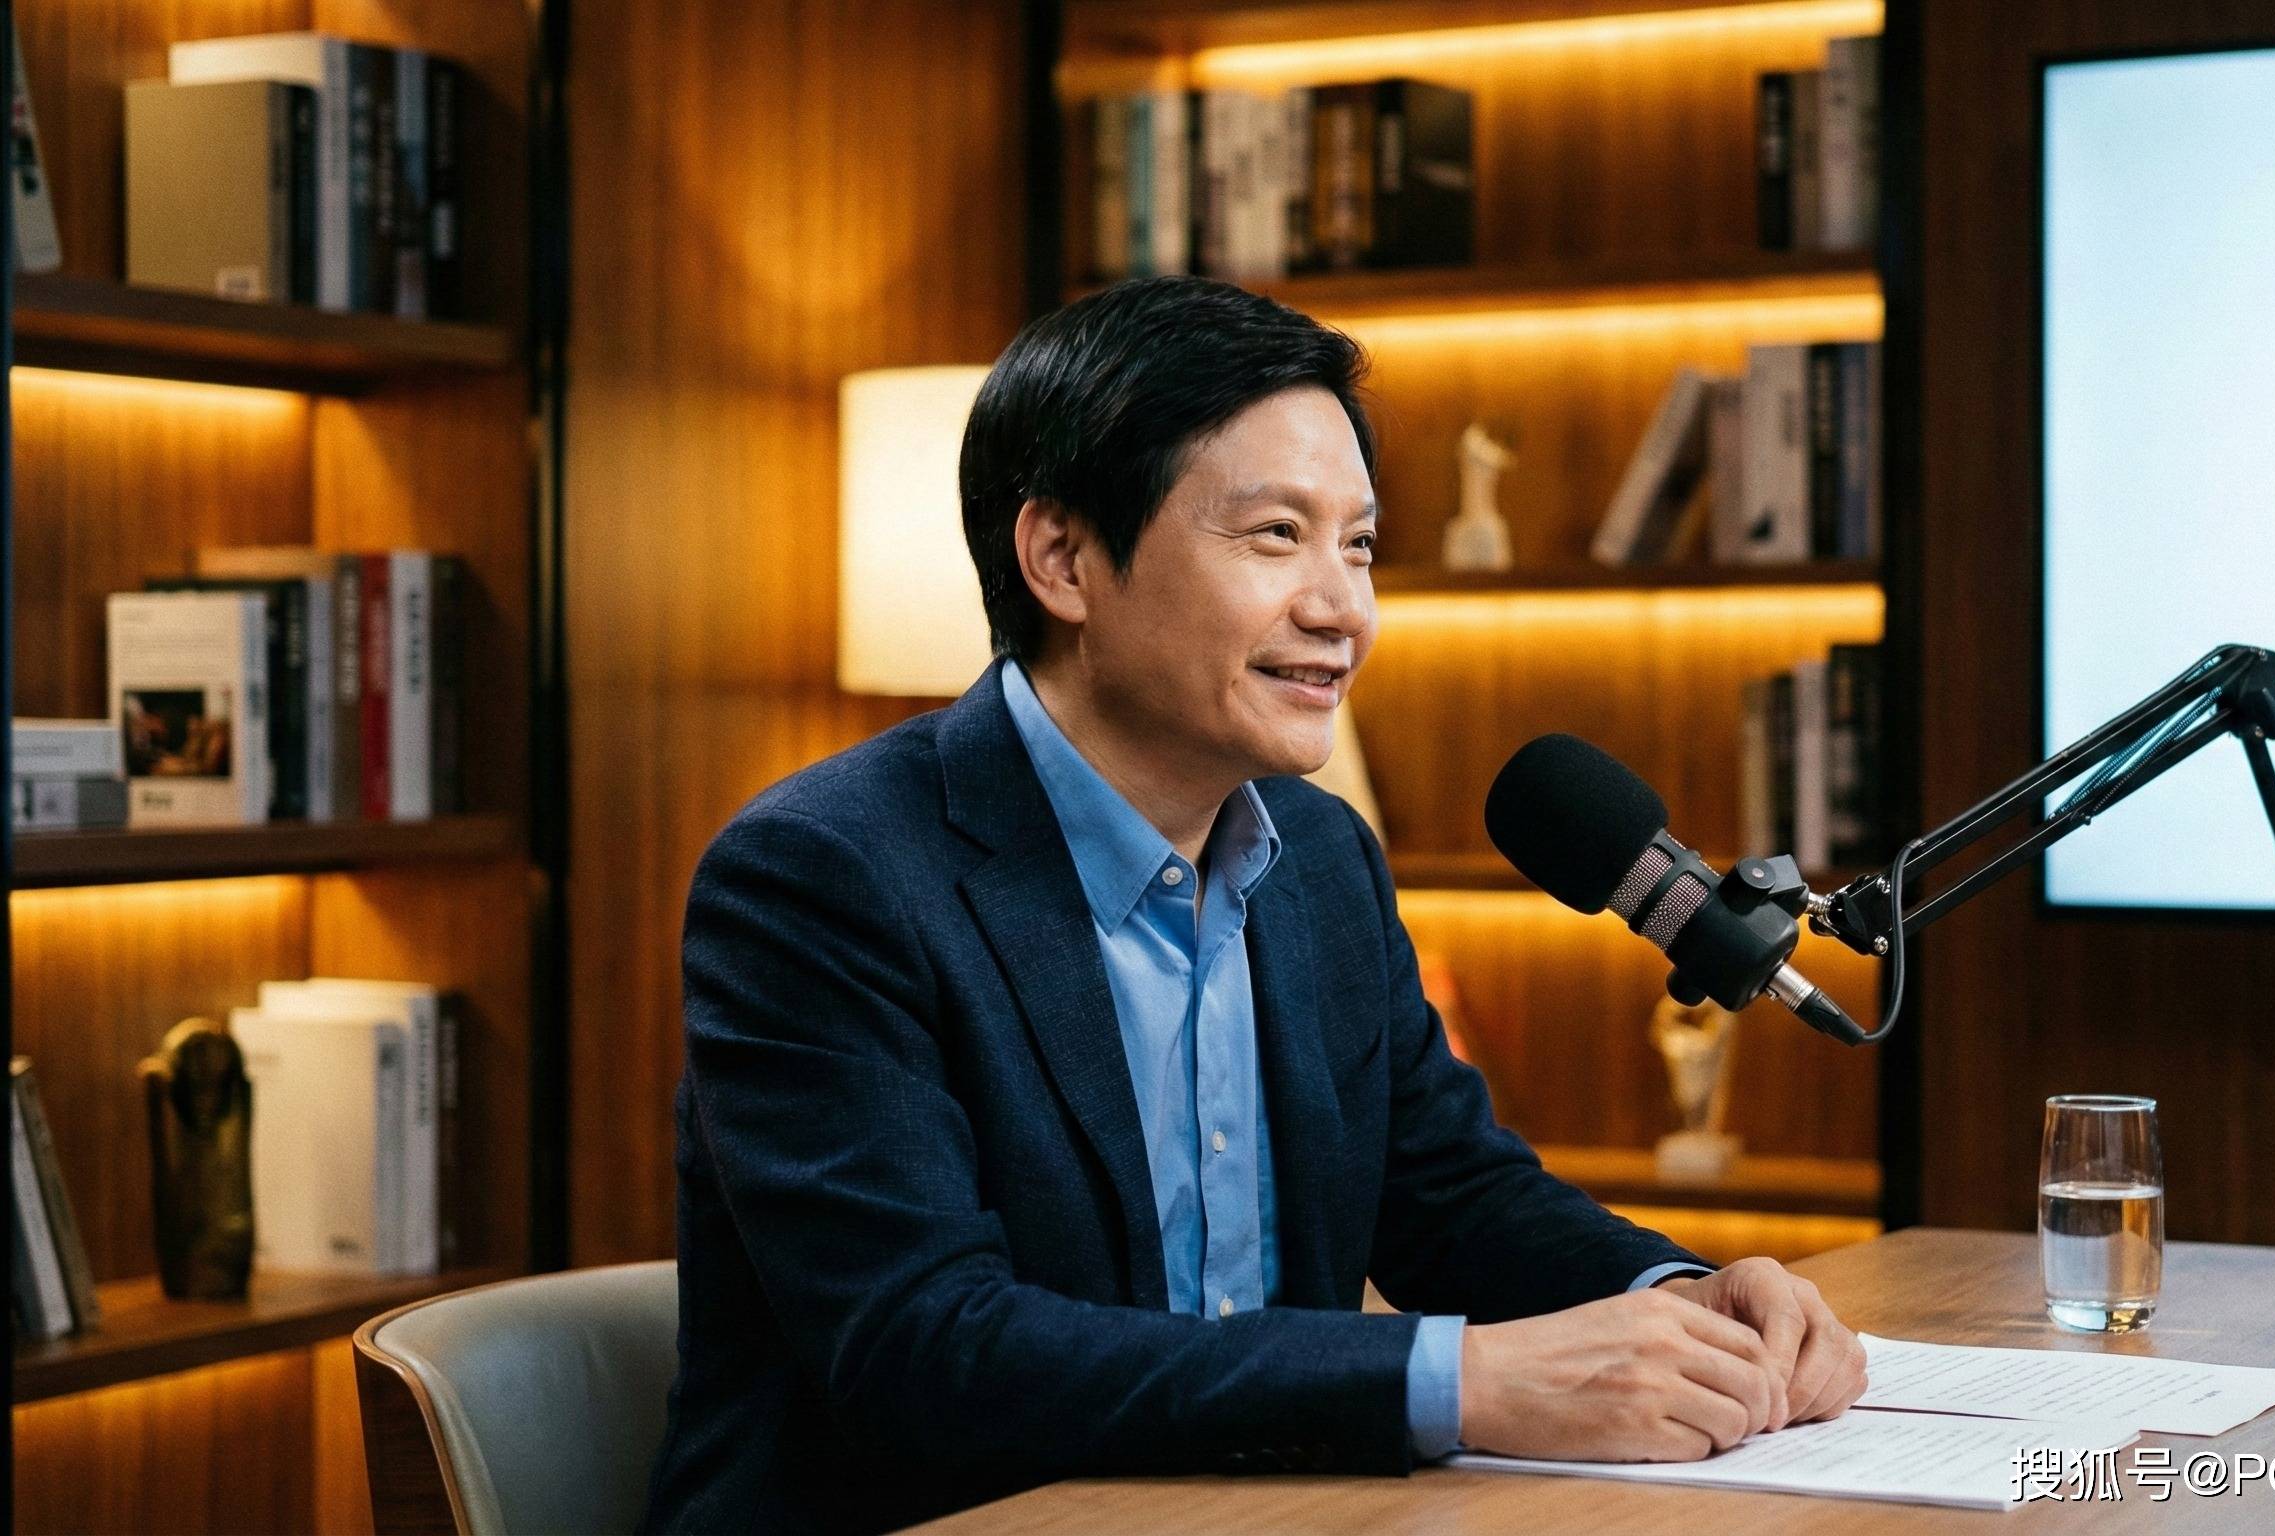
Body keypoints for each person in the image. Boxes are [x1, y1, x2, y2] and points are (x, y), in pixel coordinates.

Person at [641, 276, 1866, 1533]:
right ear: (1061, 559)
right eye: (1277, 534)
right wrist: (1465, 1380)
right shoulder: (819, 878)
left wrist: (1678, 1297)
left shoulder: (1320, 856)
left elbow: (1450, 1196)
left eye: (1359, 544)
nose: (1342, 610)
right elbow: (929, 1350)